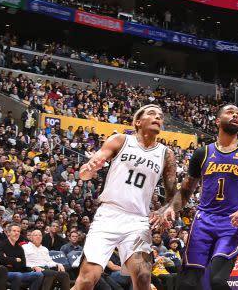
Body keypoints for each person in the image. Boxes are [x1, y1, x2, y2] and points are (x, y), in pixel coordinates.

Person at [159, 104, 238, 290]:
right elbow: (185, 192)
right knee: (187, 283)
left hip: (231, 223)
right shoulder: (203, 153)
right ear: (217, 121)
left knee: (218, 281)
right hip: (203, 221)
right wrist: (171, 207)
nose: (235, 115)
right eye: (230, 112)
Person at [72, 104, 178, 290]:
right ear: (138, 121)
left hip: (137, 222)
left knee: (144, 277)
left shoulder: (166, 154)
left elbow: (172, 195)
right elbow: (85, 173)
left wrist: (164, 209)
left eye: (160, 116)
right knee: (87, 281)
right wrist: (89, 170)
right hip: (108, 216)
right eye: (151, 113)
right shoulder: (120, 140)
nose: (157, 117)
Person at [0, 223, 45, 290]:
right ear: (8, 233)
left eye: (18, 231)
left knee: (39, 275)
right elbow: (0, 260)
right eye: (14, 231)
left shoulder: (20, 248)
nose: (17, 233)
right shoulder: (1, 244)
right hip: (6, 273)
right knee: (17, 275)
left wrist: (9, 260)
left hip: (20, 272)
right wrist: (15, 260)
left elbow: (23, 264)